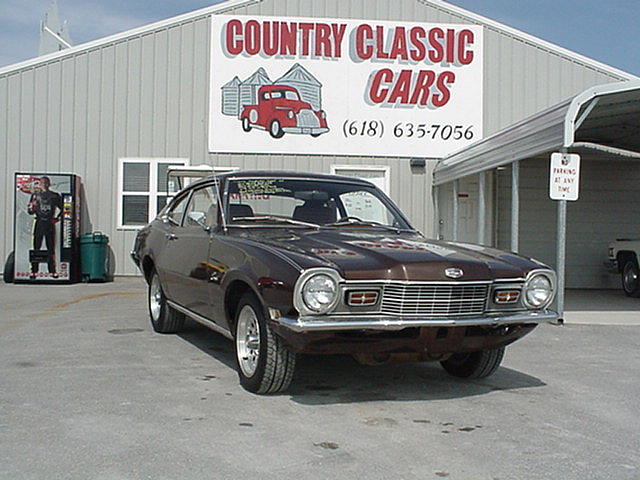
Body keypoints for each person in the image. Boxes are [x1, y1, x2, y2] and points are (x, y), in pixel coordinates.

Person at [28, 176, 62, 279]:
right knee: (36, 247)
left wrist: (57, 218)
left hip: (49, 223)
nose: (44, 185)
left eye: (46, 183)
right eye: (42, 183)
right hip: (39, 223)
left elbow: (65, 208)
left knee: (50, 247)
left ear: (49, 184)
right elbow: (30, 211)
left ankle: (52, 271)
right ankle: (34, 271)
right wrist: (32, 207)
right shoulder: (35, 195)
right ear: (40, 184)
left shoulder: (54, 196)